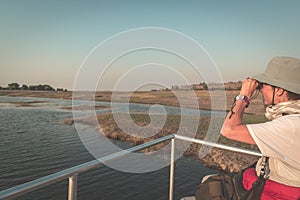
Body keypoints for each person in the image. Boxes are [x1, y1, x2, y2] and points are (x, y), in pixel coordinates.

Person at [220, 56, 300, 199]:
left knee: (210, 187)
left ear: (280, 90)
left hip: (276, 193)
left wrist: (244, 95)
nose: (261, 89)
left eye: (264, 84)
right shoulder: (292, 119)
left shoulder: (290, 125)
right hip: (280, 188)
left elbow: (228, 130)